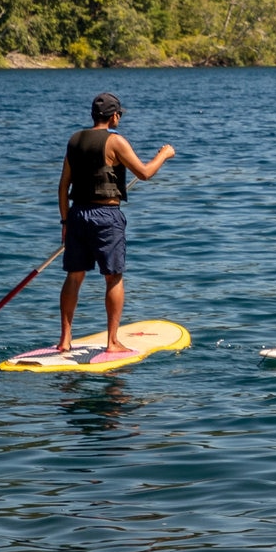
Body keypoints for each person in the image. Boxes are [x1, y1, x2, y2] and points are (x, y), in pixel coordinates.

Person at [56, 91, 174, 358]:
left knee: (74, 276)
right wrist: (164, 155)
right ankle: (112, 341)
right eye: (119, 114)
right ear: (114, 116)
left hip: (77, 216)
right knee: (113, 277)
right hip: (106, 218)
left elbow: (63, 186)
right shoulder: (115, 141)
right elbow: (144, 173)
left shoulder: (74, 141)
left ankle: (65, 339)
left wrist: (65, 220)